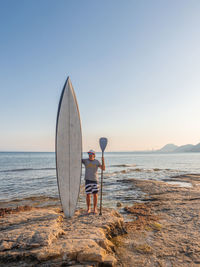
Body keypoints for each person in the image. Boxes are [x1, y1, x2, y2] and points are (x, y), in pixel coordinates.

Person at [82, 149, 105, 214]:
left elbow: (103, 168)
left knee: (95, 195)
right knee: (88, 195)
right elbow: (77, 159)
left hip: (95, 180)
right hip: (87, 180)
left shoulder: (97, 161)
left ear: (94, 155)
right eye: (89, 154)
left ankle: (95, 208)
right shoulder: (85, 160)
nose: (90, 155)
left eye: (91, 154)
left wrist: (103, 160)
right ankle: (88, 208)